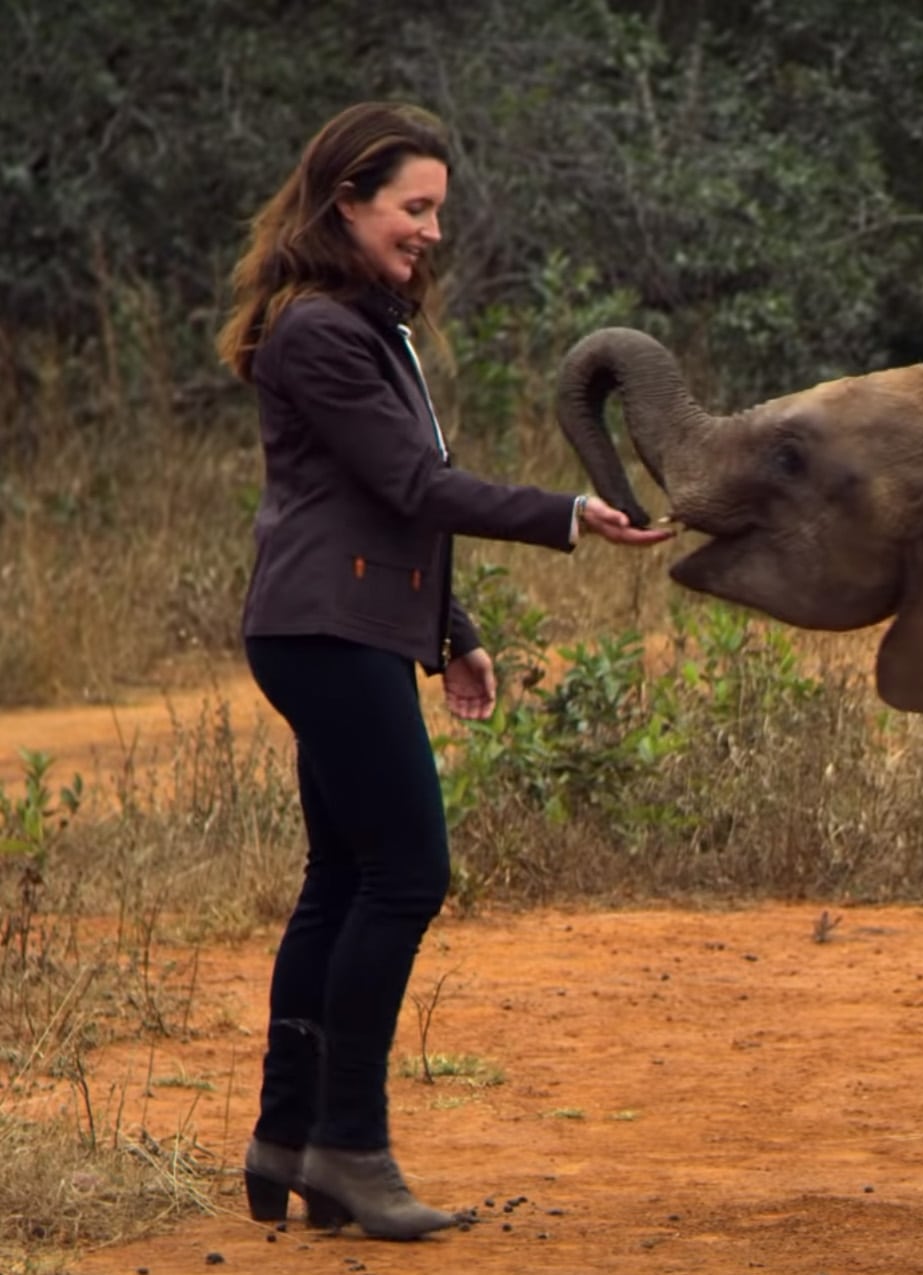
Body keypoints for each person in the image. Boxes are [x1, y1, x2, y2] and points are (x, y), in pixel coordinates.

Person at [213, 100, 673, 1240]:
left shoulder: (357, 323)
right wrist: (569, 513)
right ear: (346, 203)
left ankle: (289, 1134)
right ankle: (349, 1146)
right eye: (411, 209)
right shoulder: (323, 331)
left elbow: (380, 496)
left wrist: (451, 626)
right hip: (328, 629)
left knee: (341, 877)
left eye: (435, 212)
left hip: (339, 622)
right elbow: (414, 485)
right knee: (407, 876)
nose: (429, 231)